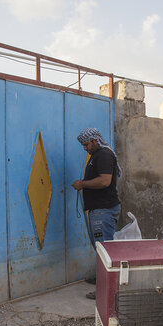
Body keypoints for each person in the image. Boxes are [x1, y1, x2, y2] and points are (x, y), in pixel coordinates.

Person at [72, 127, 121, 299]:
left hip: (103, 210)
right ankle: (103, 278)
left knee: (105, 250)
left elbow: (105, 181)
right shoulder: (97, 155)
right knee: (101, 248)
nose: (84, 148)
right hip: (100, 210)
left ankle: (106, 290)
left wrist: (82, 184)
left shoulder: (104, 156)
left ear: (94, 140)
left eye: (86, 144)